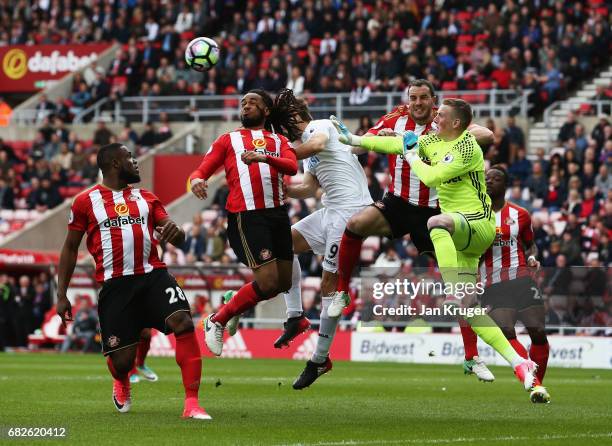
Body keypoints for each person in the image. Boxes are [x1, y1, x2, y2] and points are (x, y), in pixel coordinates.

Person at [332, 98, 546, 403]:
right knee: (470, 310)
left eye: (441, 115)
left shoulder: (467, 145)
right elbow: (392, 146)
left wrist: (409, 153)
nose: (435, 118)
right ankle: (523, 368)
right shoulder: (432, 141)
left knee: (436, 222)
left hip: (478, 225)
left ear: (456, 123)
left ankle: (453, 290)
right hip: (464, 240)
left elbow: (430, 177)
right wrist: (352, 139)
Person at [327, 79, 495, 382]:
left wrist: (465, 133)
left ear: (434, 101)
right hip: (399, 202)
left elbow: (486, 134)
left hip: (434, 211)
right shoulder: (395, 118)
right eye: (413, 98)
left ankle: (472, 356)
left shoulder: (443, 124)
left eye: (423, 98)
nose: (417, 103)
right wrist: (371, 137)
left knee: (457, 283)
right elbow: (366, 142)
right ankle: (342, 292)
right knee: (356, 225)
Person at [56, 143, 210, 419]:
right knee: (122, 362)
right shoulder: (84, 202)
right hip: (116, 286)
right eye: (130, 158)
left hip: (154, 276)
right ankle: (121, 379)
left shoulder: (147, 198)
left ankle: (192, 404)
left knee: (184, 323)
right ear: (115, 164)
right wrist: (61, 294)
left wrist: (176, 235)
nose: (136, 162)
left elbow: (177, 236)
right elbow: (69, 248)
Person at [257, 90, 373, 388]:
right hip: (331, 209)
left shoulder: (319, 126)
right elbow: (309, 187)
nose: (284, 130)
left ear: (295, 116)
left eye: (285, 123)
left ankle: (320, 359)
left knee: (328, 285)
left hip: (350, 211)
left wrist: (274, 155)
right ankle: (295, 316)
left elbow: (316, 145)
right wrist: (284, 189)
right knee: (284, 245)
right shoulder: (305, 143)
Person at [189, 90, 298, 357]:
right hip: (247, 216)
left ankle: (233, 302)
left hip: (277, 215)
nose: (246, 106)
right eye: (244, 103)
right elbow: (202, 169)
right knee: (270, 282)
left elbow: (292, 166)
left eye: (253, 102)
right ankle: (217, 320)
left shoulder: (278, 140)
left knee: (283, 284)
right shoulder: (228, 140)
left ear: (266, 111)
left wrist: (263, 158)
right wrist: (197, 181)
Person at [480, 165, 550, 403]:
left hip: (521, 279)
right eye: (486, 178)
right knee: (507, 330)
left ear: (505, 185)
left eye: (496, 178)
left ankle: (537, 380)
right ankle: (535, 386)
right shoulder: (476, 214)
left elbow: (530, 243)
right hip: (493, 283)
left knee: (538, 332)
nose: (490, 181)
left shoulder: (520, 214)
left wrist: (532, 256)